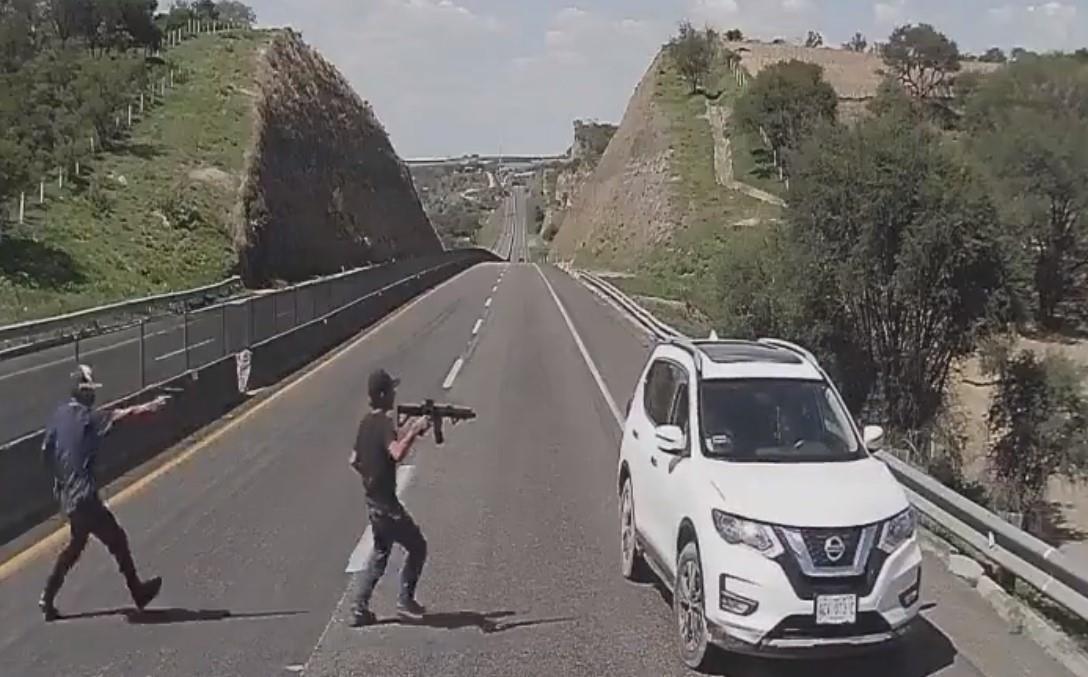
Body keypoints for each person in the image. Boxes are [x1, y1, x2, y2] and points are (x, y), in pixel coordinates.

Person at [38, 365, 171, 621]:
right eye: (90, 391)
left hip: (69, 497)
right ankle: (138, 592)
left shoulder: (59, 415)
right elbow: (124, 415)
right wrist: (153, 406)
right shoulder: (89, 418)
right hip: (84, 495)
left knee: (76, 544)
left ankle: (48, 595)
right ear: (82, 392)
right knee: (117, 539)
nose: (94, 396)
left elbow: (45, 451)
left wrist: (58, 481)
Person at [348, 368, 432, 627]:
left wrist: (371, 475)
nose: (395, 394)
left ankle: (358, 607)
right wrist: (415, 431)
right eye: (392, 390)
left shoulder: (365, 423)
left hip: (373, 502)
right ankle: (405, 601)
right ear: (383, 394)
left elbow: (353, 460)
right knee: (418, 547)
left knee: (381, 554)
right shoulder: (384, 422)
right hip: (387, 505)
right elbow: (396, 453)